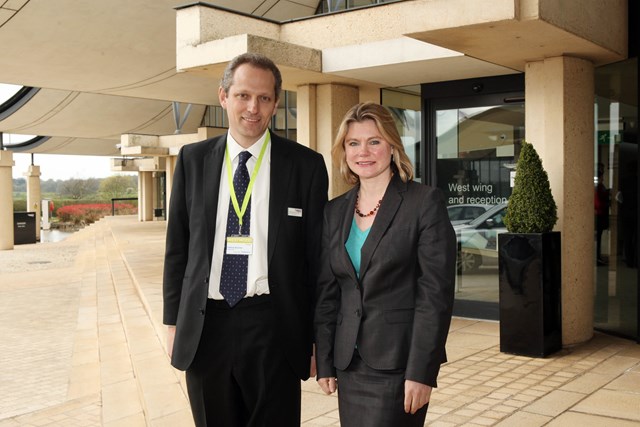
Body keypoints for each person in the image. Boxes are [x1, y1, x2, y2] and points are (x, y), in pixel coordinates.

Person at [163, 53, 329, 427]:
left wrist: (319, 337)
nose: (253, 108)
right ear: (223, 96)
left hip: (276, 327)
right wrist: (173, 324)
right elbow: (178, 249)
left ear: (275, 103)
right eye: (242, 95)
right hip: (207, 327)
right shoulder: (192, 159)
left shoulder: (305, 166)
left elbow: (316, 260)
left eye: (265, 98)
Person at [314, 102, 456, 427]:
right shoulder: (334, 211)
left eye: (374, 141)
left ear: (392, 146)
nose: (363, 152)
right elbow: (327, 292)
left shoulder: (424, 203)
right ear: (344, 150)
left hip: (400, 366)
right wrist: (324, 360)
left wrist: (422, 372)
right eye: (354, 143)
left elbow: (434, 296)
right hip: (349, 364)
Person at [594, 162, 609, 265]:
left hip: (599, 215)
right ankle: (597, 258)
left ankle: (598, 257)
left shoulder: (599, 186)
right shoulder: (598, 187)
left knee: (598, 238)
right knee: (597, 238)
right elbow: (598, 204)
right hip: (599, 215)